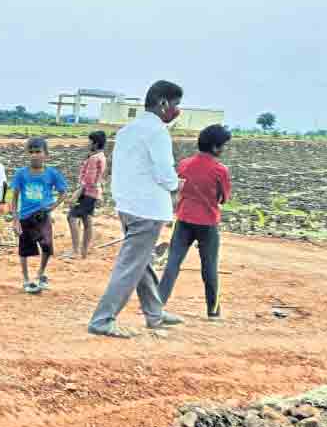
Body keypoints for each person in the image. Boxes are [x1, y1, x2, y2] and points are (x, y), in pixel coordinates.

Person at [88, 80, 186, 338]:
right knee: (131, 265)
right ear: (163, 103)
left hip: (128, 205)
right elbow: (165, 174)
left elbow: (121, 170)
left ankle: (154, 313)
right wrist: (177, 184)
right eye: (176, 105)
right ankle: (102, 320)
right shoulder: (157, 133)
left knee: (142, 263)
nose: (177, 110)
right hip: (149, 209)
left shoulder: (127, 131)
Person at [158, 124, 233, 320]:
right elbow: (224, 198)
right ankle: (213, 312)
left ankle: (156, 305)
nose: (224, 149)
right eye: (223, 146)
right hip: (207, 223)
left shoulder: (184, 164)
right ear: (216, 147)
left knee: (172, 264)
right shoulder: (220, 170)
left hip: (183, 219)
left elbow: (176, 189)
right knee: (209, 267)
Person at [10, 137, 68, 294]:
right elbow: (14, 198)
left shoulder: (52, 174)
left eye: (38, 152)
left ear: (46, 154)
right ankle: (26, 280)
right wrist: (15, 220)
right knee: (24, 250)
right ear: (27, 154)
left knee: (47, 247)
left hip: (43, 217)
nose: (34, 155)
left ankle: (41, 273)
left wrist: (52, 207)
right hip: (25, 218)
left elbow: (63, 192)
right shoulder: (21, 174)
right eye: (31, 152)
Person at [65, 131, 109, 258]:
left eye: (89, 141)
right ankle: (83, 251)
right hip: (94, 193)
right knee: (86, 220)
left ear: (95, 143)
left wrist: (76, 194)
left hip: (87, 193)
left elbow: (88, 181)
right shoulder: (101, 156)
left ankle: (75, 250)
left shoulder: (94, 159)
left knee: (72, 217)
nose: (87, 143)